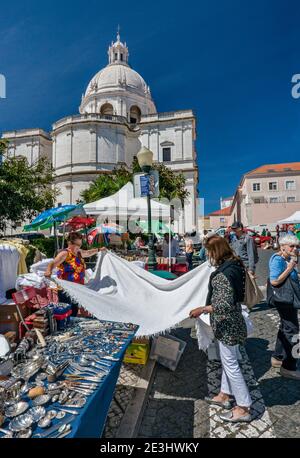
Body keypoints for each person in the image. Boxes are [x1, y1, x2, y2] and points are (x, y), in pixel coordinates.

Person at [190, 235, 252, 423]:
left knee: (231, 365)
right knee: (229, 361)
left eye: (209, 251)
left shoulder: (222, 274)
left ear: (215, 252)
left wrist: (201, 309)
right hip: (235, 321)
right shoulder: (236, 264)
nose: (208, 255)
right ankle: (225, 395)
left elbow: (223, 304)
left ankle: (243, 407)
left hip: (227, 325)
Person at [45, 232, 106, 316]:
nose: (78, 247)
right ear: (69, 243)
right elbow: (52, 263)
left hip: (77, 288)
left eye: (79, 245)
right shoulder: (65, 254)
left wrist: (99, 250)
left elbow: (88, 253)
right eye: (76, 244)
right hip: (65, 289)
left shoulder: (79, 253)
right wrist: (48, 270)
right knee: (66, 311)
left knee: (74, 311)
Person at [268, 234, 300, 379]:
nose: (295, 249)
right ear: (283, 247)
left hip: (289, 299)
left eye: (297, 246)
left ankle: (278, 357)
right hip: (284, 300)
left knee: (285, 327)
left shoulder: (288, 258)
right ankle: (288, 366)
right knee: (293, 330)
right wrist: (290, 268)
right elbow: (274, 281)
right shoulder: (277, 259)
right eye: (292, 246)